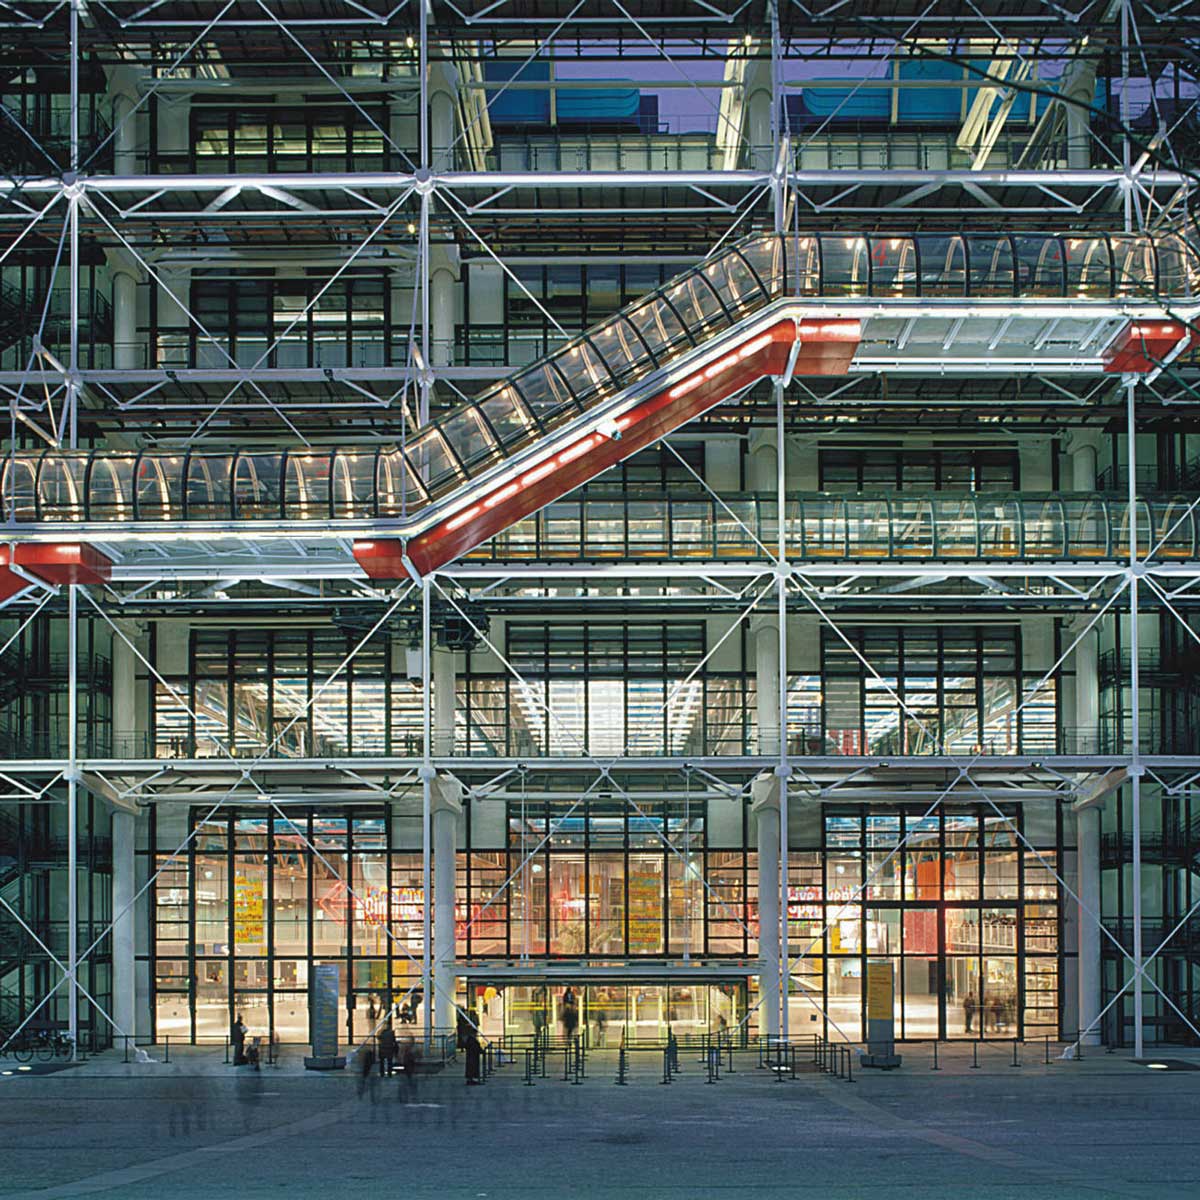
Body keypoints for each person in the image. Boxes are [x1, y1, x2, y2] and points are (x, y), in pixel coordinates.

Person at [400, 1036, 418, 1103]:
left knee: (410, 1080)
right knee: (409, 1080)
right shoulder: (408, 1048)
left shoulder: (409, 1048)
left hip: (409, 1065)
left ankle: (410, 1094)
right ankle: (410, 1094)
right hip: (408, 1066)